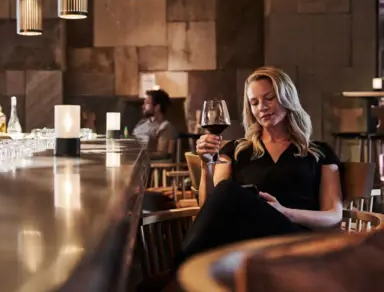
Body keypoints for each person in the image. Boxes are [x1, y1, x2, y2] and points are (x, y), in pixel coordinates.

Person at [178, 66, 343, 264]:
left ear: (286, 98)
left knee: (229, 191)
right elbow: (211, 208)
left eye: (269, 98)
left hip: (295, 240)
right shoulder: (235, 150)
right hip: (247, 241)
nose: (262, 107)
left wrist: (284, 212)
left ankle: (181, 269)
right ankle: (186, 268)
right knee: (226, 191)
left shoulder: (319, 152)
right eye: (254, 102)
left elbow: (334, 216)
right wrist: (207, 166)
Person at [133, 89, 177, 161]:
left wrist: (138, 156)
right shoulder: (141, 123)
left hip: (145, 165)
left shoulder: (165, 127)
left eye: (147, 103)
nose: (143, 106)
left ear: (157, 107)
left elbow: (162, 154)